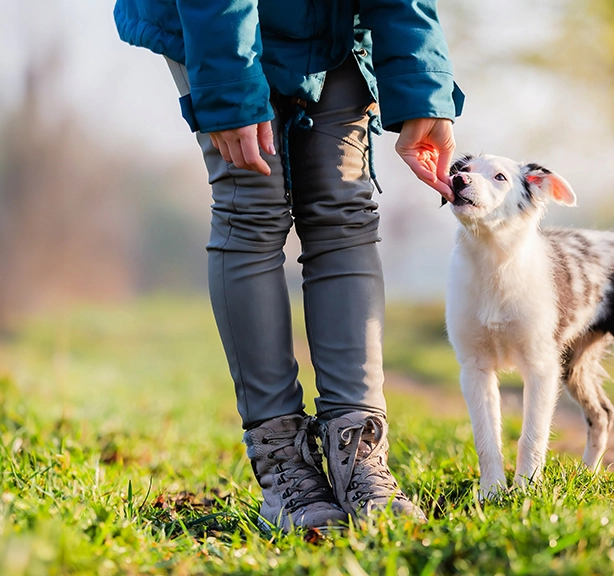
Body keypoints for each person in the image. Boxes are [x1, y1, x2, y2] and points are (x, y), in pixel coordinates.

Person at [113, 0, 463, 529]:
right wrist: (230, 87)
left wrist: (421, 85)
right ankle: (284, 469)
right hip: (214, 19)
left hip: (335, 20)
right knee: (250, 202)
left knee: (344, 208)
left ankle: (360, 458)